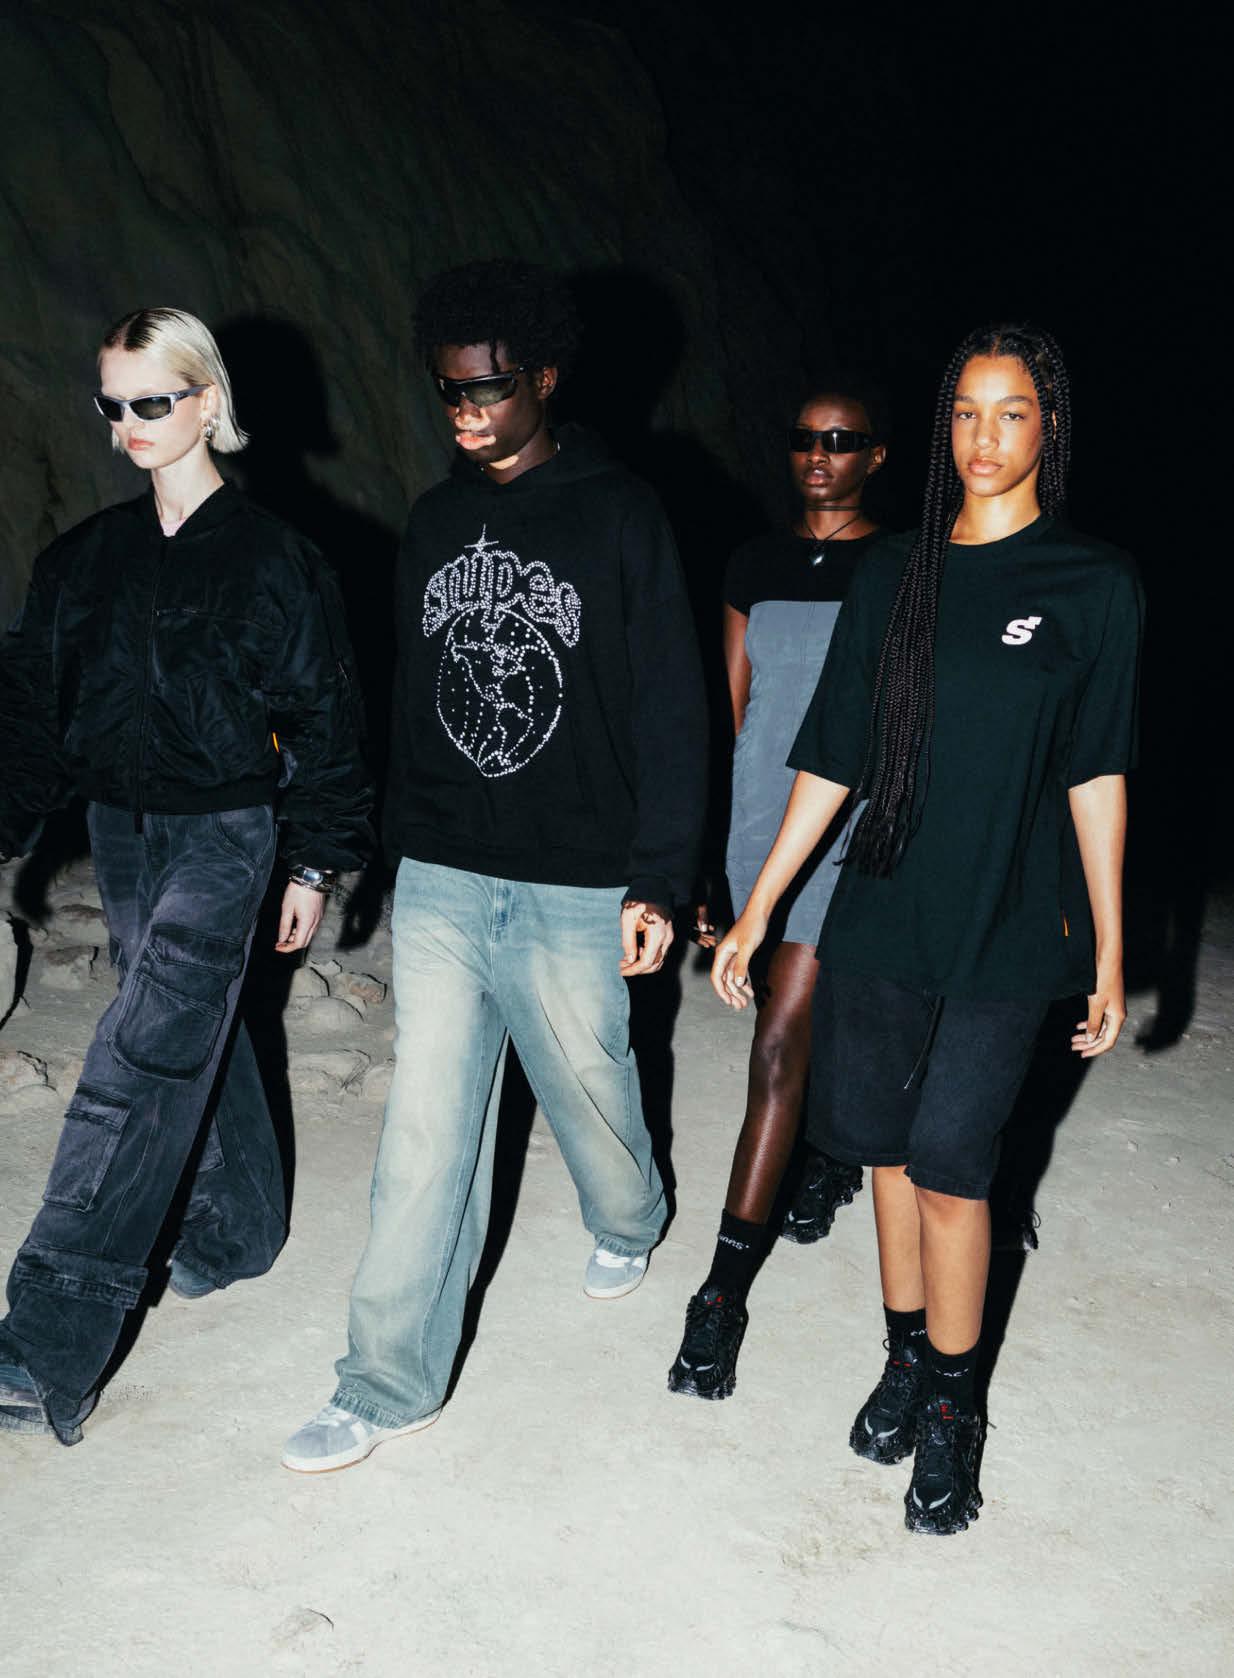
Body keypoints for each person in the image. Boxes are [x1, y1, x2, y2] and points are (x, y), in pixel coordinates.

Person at [712, 324, 1142, 1534]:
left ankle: (954, 1405)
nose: (983, 437)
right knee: (887, 1153)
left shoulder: (1093, 583)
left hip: (1012, 921)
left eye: (1011, 413)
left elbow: (1097, 774)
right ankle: (904, 1354)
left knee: (954, 1161)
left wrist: (1110, 950)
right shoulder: (894, 571)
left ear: (1048, 428)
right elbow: (831, 759)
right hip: (884, 909)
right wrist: (758, 907)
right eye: (965, 411)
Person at [282, 260, 708, 1474]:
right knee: (427, 1123)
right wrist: (387, 844)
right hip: (448, 874)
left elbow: (673, 707)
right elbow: (414, 698)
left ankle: (629, 1212)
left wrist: (659, 877)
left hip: (578, 872)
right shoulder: (431, 521)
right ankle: (383, 1381)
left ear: (547, 378)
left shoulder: (621, 514)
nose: (466, 410)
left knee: (589, 1078)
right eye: (449, 390)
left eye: (490, 387)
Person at [0, 307, 373, 1445]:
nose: (128, 425)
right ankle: (240, 1229)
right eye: (111, 404)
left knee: (141, 1055)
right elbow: (31, 718)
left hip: (225, 834)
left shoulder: (276, 561)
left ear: (208, 401)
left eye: (152, 402)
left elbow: (327, 718)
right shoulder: (83, 562)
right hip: (120, 830)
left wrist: (314, 858)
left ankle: (45, 1343)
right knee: (190, 1024)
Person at [669, 389, 887, 1402]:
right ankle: (830, 1152)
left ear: (876, 456)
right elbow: (731, 711)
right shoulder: (752, 563)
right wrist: (707, 857)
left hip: (854, 824)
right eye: (805, 439)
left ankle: (719, 1296)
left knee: (778, 1039)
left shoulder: (901, 567)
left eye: (841, 441)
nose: (820, 454)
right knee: (795, 1023)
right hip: (760, 815)